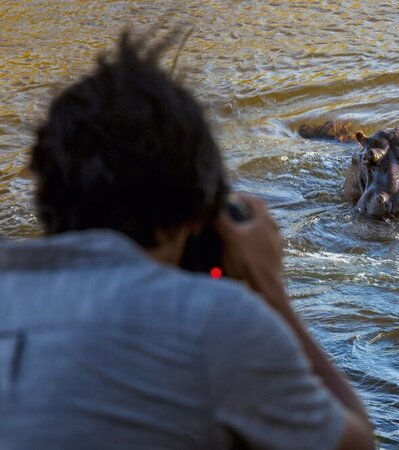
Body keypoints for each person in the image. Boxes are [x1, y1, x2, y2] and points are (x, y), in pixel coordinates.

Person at [0, 32, 374, 449]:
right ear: (198, 207)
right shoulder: (216, 322)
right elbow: (355, 444)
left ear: (43, 189)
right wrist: (270, 291)